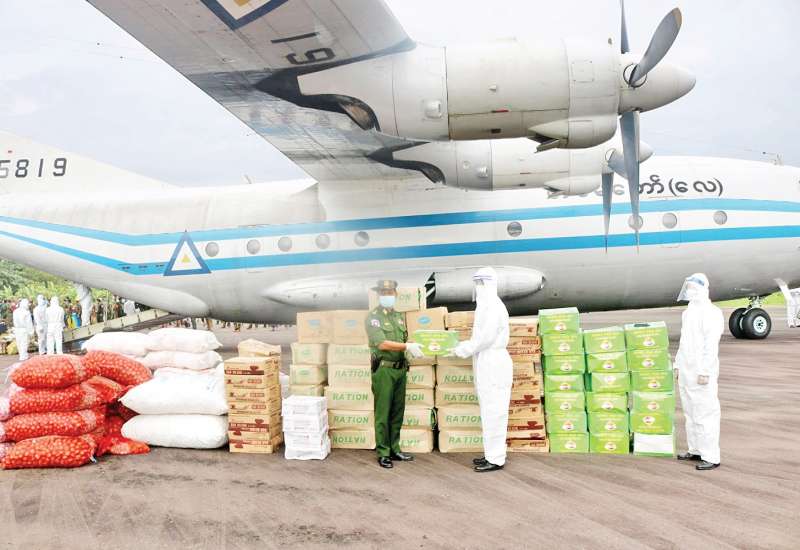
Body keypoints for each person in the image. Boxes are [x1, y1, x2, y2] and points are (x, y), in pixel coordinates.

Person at [452, 267, 513, 473]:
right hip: (486, 360)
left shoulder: (492, 306)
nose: (479, 287)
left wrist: (462, 349)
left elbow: (484, 338)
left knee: (495, 411)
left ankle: (495, 459)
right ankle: (490, 454)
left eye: (482, 283)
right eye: (476, 283)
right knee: (488, 411)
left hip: (493, 362)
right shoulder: (486, 305)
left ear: (490, 284)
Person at [365, 280, 424, 469]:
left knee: (398, 412)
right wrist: (407, 346)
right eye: (383, 293)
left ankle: (394, 449)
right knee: (383, 413)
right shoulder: (373, 317)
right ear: (378, 295)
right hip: (384, 370)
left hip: (400, 369)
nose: (387, 296)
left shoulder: (399, 317)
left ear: (396, 294)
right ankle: (383, 452)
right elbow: (381, 343)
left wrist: (414, 345)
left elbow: (404, 340)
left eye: (390, 293)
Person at [675, 273, 724, 471]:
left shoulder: (711, 312)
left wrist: (705, 370)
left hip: (701, 372)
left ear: (703, 289)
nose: (689, 291)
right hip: (687, 370)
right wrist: (677, 364)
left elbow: (710, 345)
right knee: (690, 412)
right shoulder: (688, 312)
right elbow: (683, 341)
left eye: (693, 288)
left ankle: (711, 456)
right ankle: (695, 449)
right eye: (688, 288)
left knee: (705, 413)